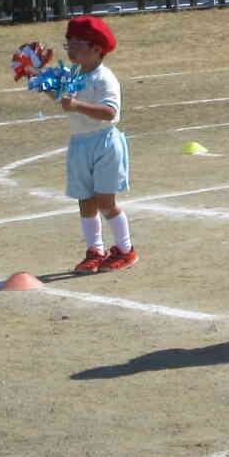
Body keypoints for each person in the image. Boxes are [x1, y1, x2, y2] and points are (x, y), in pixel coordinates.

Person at [59, 15, 136, 273]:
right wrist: (35, 76)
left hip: (104, 143)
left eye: (78, 42)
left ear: (96, 49)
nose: (71, 46)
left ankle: (126, 250)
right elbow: (63, 100)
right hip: (80, 143)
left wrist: (76, 104)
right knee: (85, 200)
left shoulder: (104, 78)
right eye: (69, 41)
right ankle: (95, 250)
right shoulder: (73, 74)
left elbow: (109, 112)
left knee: (105, 201)